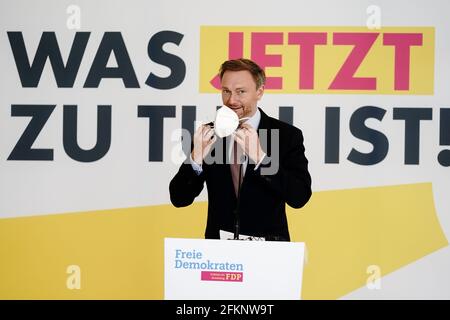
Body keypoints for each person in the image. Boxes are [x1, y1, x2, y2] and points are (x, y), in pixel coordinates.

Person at [169, 58, 311, 241]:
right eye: (226, 91)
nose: (231, 100)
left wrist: (261, 159)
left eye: (240, 92)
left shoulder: (286, 135)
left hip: (270, 252)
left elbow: (299, 197)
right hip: (219, 253)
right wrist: (195, 159)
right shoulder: (208, 135)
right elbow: (179, 198)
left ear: (259, 92)